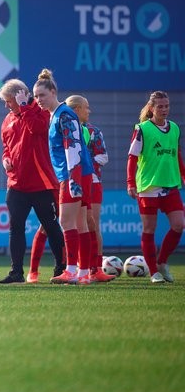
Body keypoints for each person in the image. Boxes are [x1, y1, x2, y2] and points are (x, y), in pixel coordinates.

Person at [0, 78, 66, 284]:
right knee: (15, 227)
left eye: (9, 101)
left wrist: (25, 107)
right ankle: (16, 272)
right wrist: (5, 159)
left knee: (51, 227)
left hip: (42, 183)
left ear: (21, 97)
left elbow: (37, 129)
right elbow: (6, 146)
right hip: (16, 184)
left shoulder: (42, 112)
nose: (7, 105)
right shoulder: (8, 119)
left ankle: (61, 269)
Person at [33, 69, 95, 285]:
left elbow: (73, 147)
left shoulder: (64, 114)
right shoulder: (57, 114)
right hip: (78, 173)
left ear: (53, 92)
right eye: (36, 96)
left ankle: (71, 270)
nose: (38, 100)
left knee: (66, 221)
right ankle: (84, 273)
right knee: (80, 223)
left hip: (73, 173)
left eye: (42, 95)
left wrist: (74, 178)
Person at [127, 90, 185, 283]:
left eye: (166, 106)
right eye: (160, 106)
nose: (164, 109)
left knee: (179, 225)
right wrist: (131, 183)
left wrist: (183, 175)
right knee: (149, 229)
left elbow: (176, 154)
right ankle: (153, 272)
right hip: (148, 186)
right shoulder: (142, 129)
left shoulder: (175, 128)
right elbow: (132, 158)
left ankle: (162, 262)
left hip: (170, 184)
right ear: (151, 108)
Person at [66, 95, 115, 282]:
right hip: (72, 181)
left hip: (92, 181)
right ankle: (76, 266)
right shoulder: (65, 129)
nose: (89, 111)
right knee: (73, 224)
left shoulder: (94, 131)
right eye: (86, 107)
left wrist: (85, 165)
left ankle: (95, 268)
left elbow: (103, 157)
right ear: (77, 109)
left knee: (92, 223)